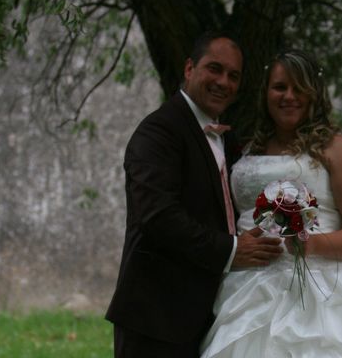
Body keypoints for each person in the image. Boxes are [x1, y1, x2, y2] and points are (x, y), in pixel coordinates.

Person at [200, 49, 342, 358]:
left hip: (318, 295)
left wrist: (310, 244)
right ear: (266, 92)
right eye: (280, 87)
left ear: (316, 93)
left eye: (300, 88)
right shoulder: (248, 147)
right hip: (247, 292)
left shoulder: (339, 150)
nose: (289, 96)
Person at [105, 33, 283, 358]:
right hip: (157, 317)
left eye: (234, 76)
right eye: (214, 69)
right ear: (189, 68)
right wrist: (232, 249)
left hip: (209, 312)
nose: (223, 82)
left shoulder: (226, 139)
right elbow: (157, 217)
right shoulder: (158, 133)